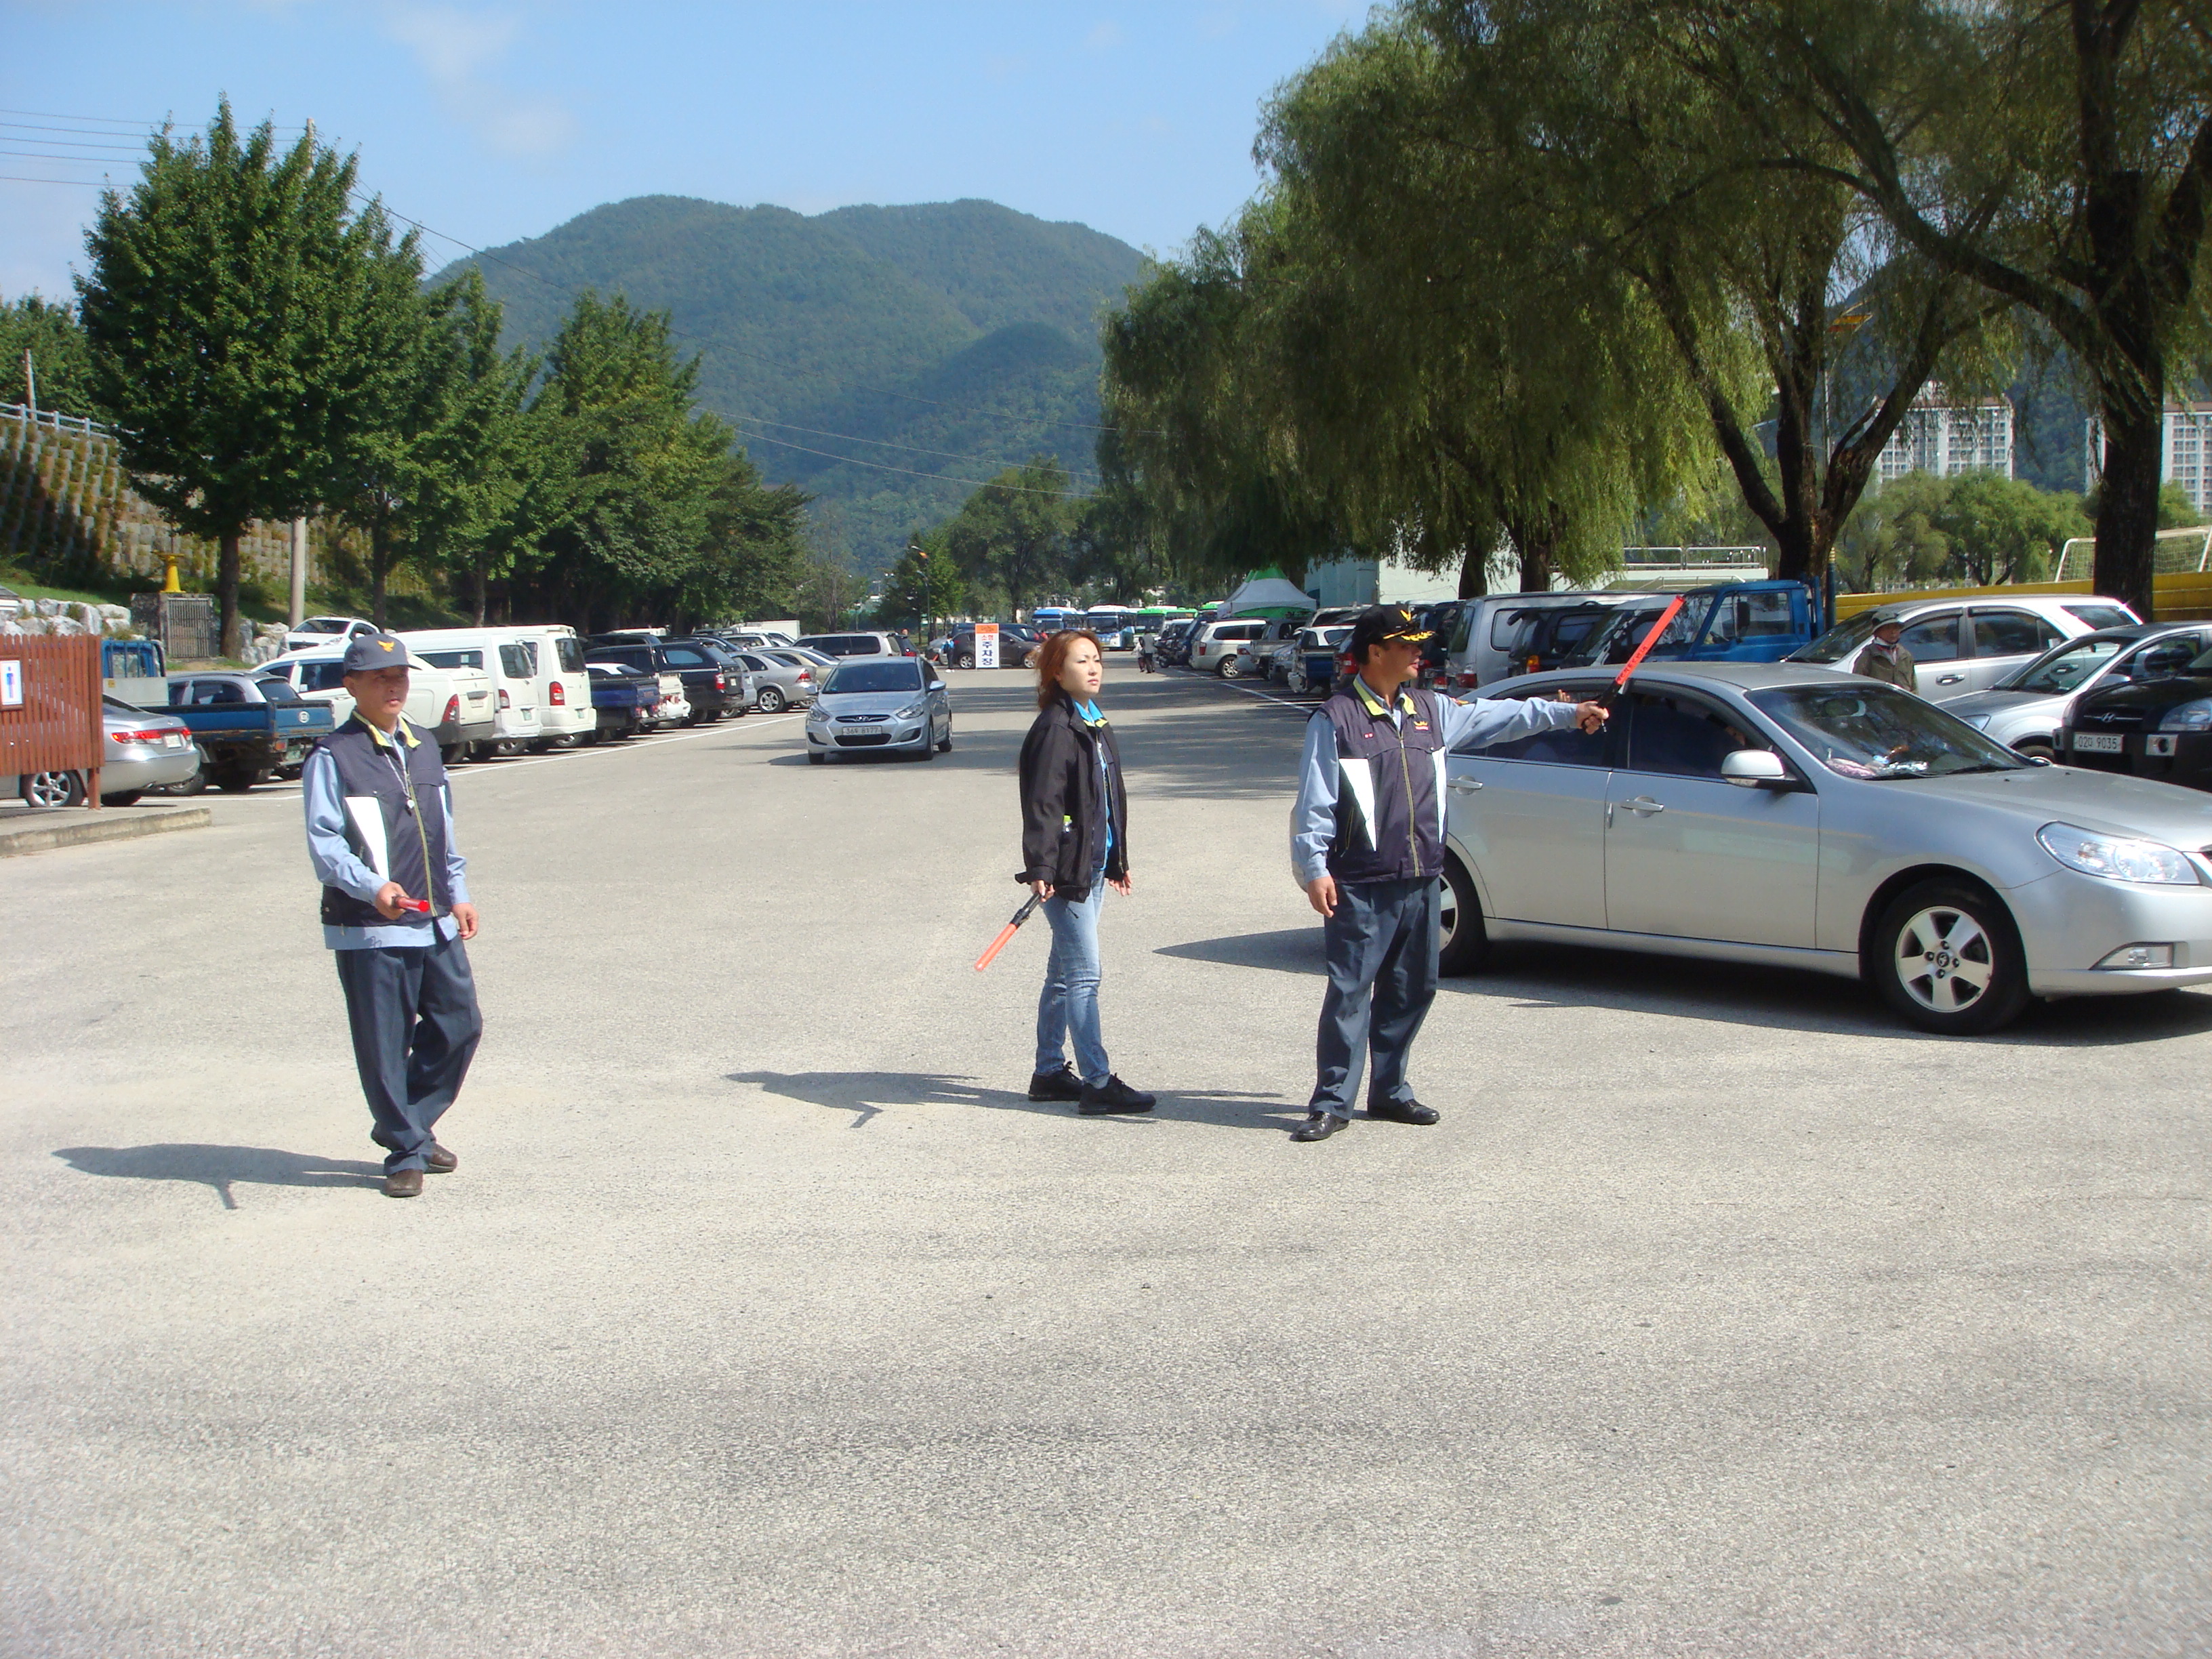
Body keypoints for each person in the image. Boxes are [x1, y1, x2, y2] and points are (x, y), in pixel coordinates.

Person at [1288, 605, 1610, 1143]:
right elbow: (1314, 800)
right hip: (1361, 881)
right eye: (1407, 645)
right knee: (1350, 993)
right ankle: (1331, 1102)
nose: (1420, 653)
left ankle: (1390, 1091)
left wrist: (1568, 713)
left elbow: (1502, 717)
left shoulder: (1431, 708)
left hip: (1422, 875)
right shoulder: (1335, 718)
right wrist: (1314, 867)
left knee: (1412, 990)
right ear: (1375, 652)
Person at [302, 630, 483, 1197]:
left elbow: (442, 830)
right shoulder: (334, 756)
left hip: (434, 917)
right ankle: (406, 1150)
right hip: (373, 927)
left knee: (460, 1026)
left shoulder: (423, 744)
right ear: (351, 685)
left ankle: (409, 1125)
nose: (393, 687)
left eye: (400, 676)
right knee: (385, 1045)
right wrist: (372, 886)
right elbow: (325, 844)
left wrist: (459, 891)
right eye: (380, 678)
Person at [1016, 629, 1155, 1115]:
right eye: (1081, 661)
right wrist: (1041, 864)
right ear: (1057, 672)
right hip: (1067, 872)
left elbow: (1107, 800)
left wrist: (1118, 861)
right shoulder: (1056, 728)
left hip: (1092, 864)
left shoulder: (1093, 721)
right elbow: (1044, 804)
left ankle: (1049, 1073)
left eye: (1097, 659)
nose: (1094, 668)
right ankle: (1097, 1082)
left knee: (1063, 974)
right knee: (1084, 976)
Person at [1852, 611, 1919, 692]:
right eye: (1888, 628)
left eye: (1896, 628)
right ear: (1877, 632)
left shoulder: (1905, 655)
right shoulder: (1868, 656)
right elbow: (1858, 687)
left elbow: (1914, 687)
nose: (1893, 632)